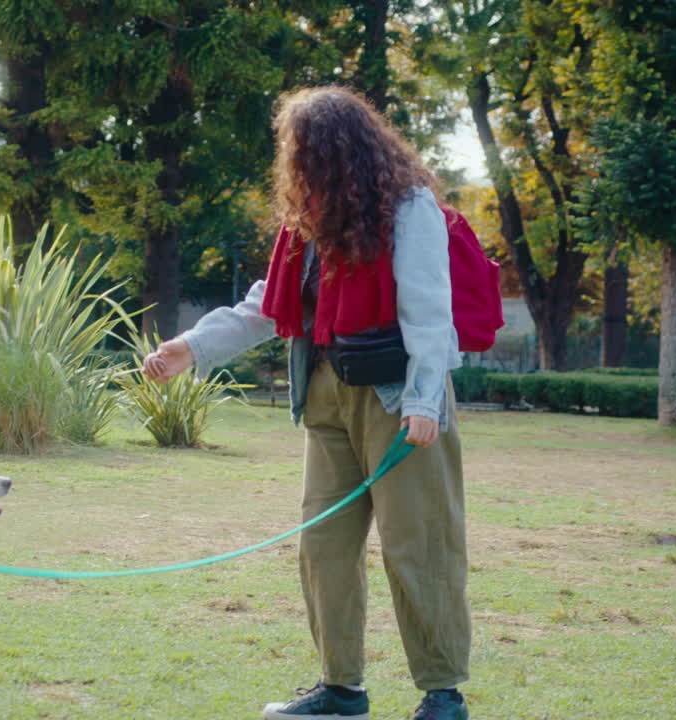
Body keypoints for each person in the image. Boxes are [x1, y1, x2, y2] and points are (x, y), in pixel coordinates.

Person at [142, 86, 470, 720]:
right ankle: (341, 688)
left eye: (305, 150)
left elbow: (431, 311)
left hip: (398, 398)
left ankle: (442, 694)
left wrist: (427, 400)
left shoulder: (408, 207)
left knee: (418, 545)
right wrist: (190, 346)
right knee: (322, 546)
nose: (296, 164)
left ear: (342, 149)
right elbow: (268, 304)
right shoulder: (310, 219)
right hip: (324, 396)